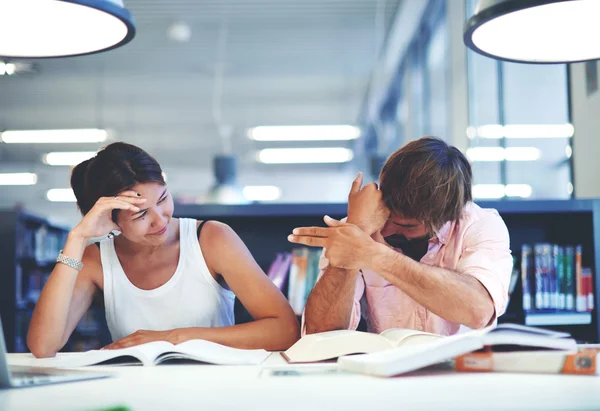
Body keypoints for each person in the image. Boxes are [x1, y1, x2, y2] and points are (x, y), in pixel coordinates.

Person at [28, 142, 299, 358]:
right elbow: (42, 346)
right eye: (141, 213)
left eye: (163, 199)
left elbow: (285, 330)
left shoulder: (212, 238)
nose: (161, 220)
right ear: (111, 218)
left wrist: (173, 338)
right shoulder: (96, 259)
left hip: (216, 390)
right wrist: (77, 237)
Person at [288, 136, 512, 336]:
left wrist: (373, 255)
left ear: (444, 218)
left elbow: (478, 311)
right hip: (385, 372)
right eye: (385, 215)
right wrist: (352, 242)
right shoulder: (359, 228)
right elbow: (318, 336)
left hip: (463, 372)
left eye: (405, 225)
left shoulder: (482, 224)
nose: (385, 231)